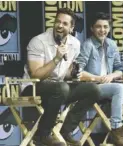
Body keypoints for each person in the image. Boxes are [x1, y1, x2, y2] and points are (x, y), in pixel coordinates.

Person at [21, 8, 100, 146]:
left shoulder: (75, 43)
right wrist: (56, 59)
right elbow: (35, 75)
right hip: (32, 87)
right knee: (61, 88)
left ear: (71, 28)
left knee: (93, 90)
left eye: (64, 23)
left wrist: (74, 73)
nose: (60, 25)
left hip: (59, 88)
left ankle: (65, 130)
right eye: (58, 21)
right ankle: (43, 134)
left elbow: (67, 72)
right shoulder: (38, 41)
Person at [76, 12, 123, 146]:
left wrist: (111, 76)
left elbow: (119, 69)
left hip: (110, 84)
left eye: (105, 27)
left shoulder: (112, 44)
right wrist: (97, 78)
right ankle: (116, 130)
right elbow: (78, 71)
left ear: (109, 29)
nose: (102, 30)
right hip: (93, 86)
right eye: (98, 27)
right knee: (119, 88)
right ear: (92, 28)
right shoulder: (88, 45)